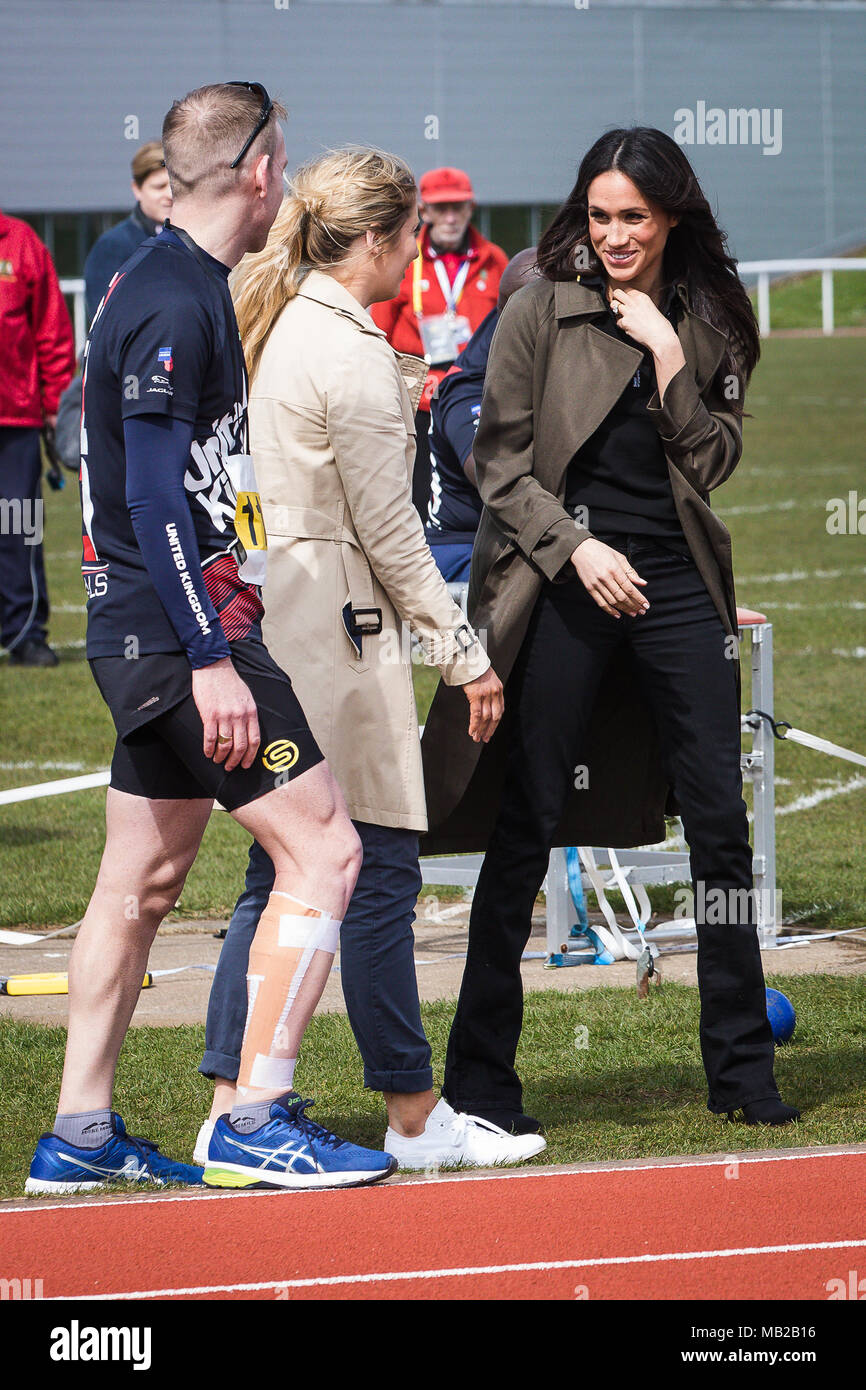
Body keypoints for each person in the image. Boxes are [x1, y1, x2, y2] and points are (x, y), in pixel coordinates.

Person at [26, 83, 396, 1197]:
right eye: (279, 161)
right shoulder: (177, 298)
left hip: (154, 631)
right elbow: (146, 491)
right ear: (260, 171)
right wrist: (207, 654)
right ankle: (256, 1116)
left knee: (138, 882)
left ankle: (77, 1137)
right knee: (326, 850)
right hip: (180, 638)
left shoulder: (164, 281)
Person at [420, 127, 800, 1133]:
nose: (613, 233)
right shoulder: (537, 298)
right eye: (599, 215)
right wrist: (574, 549)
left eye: (632, 215)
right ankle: (480, 1085)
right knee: (524, 818)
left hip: (676, 585)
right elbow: (496, 463)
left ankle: (740, 1073)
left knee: (720, 826)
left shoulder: (709, 311)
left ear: (670, 215)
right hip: (559, 575)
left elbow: (710, 461)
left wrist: (670, 353)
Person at [195, 147, 543, 1171]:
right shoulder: (340, 348)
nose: (412, 255)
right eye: (405, 237)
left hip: (293, 613)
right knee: (377, 867)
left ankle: (235, 1103)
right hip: (331, 624)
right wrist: (464, 656)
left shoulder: (292, 321)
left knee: (283, 873)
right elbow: (391, 533)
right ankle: (411, 1110)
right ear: (382, 239)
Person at [371, 167, 507, 521]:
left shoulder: (494, 261)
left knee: (477, 493)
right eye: (440, 208)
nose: (449, 217)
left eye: (457, 207)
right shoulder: (404, 255)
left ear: (471, 209)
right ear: (424, 211)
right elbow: (378, 335)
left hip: (477, 396)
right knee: (416, 495)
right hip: (418, 401)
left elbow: (510, 331)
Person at [427, 247, 539, 583]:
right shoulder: (468, 387)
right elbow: (495, 477)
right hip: (463, 548)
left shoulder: (524, 345)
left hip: (514, 539)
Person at [0, 209, 74, 666]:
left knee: (17, 528)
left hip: (16, 418)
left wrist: (54, 407)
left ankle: (26, 631)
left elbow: (51, 330)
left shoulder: (20, 241)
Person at [84, 142, 174, 323]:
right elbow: (107, 321)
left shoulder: (200, 238)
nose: (170, 195)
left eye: (174, 185)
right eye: (159, 186)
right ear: (136, 189)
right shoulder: (112, 246)